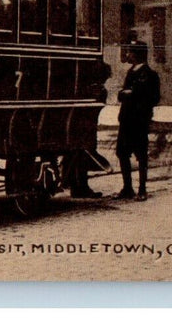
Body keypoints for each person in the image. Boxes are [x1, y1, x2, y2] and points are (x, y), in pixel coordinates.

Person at [115, 40, 161, 201]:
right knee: (122, 153)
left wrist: (132, 94)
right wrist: (130, 93)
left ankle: (142, 189)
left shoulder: (149, 74)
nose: (127, 55)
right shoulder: (131, 72)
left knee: (141, 155)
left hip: (139, 121)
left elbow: (153, 98)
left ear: (137, 54)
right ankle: (127, 188)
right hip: (126, 119)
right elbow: (121, 94)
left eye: (129, 52)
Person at [64, 58, 112, 198]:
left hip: (78, 125)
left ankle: (75, 185)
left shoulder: (86, 88)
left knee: (75, 155)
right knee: (83, 155)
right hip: (86, 127)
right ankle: (80, 187)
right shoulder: (99, 90)